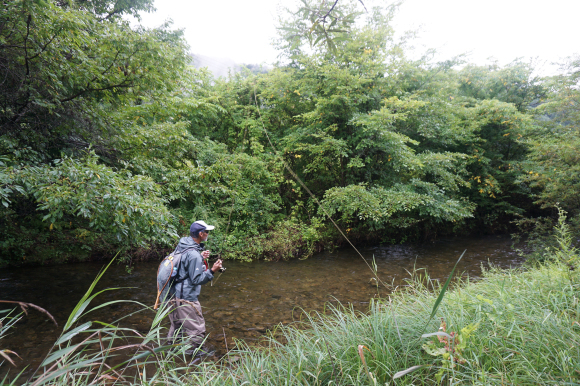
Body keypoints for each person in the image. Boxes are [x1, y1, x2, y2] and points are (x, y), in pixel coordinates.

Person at [166, 220, 222, 358]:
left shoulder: (183, 246)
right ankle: (197, 359)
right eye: (207, 232)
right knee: (197, 329)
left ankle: (170, 354)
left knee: (176, 327)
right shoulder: (194, 254)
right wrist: (213, 271)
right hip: (186, 298)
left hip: (172, 295)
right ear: (201, 234)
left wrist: (200, 258)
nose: (208, 234)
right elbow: (197, 279)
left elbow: (184, 265)